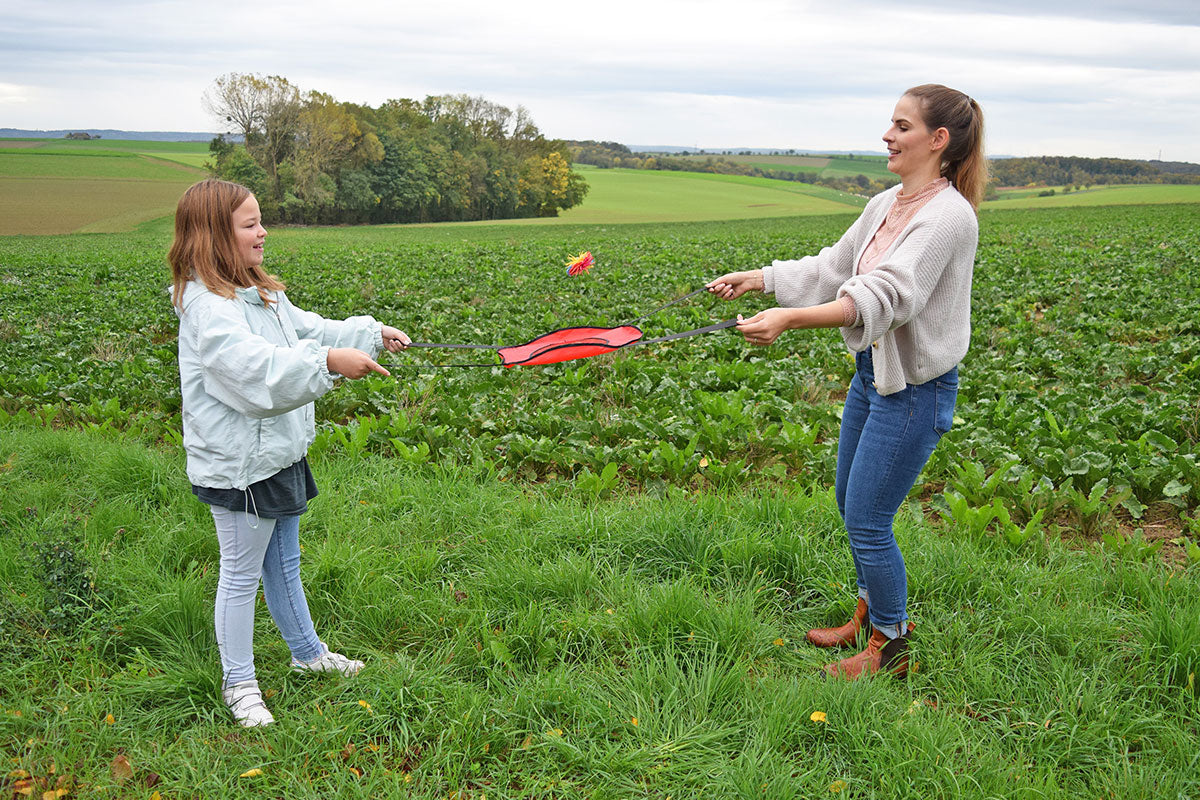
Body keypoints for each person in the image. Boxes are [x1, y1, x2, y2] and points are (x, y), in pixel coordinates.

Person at [707, 84, 985, 679]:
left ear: (938, 140)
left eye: (902, 126)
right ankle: (869, 613)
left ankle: (892, 647)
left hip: (914, 390)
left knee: (867, 519)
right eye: (891, 123)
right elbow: (835, 267)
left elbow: (888, 296)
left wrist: (792, 319)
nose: (888, 135)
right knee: (848, 503)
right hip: (872, 377)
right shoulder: (888, 202)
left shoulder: (948, 218)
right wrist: (760, 279)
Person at [168, 178, 411, 725]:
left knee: (284, 562)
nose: (264, 232)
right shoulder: (210, 311)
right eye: (250, 224)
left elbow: (310, 328)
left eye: (260, 221)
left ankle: (308, 655)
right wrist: (327, 362)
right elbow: (258, 373)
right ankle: (239, 684)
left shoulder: (260, 292)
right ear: (213, 237)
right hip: (239, 467)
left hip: (276, 454)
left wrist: (370, 334)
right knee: (240, 574)